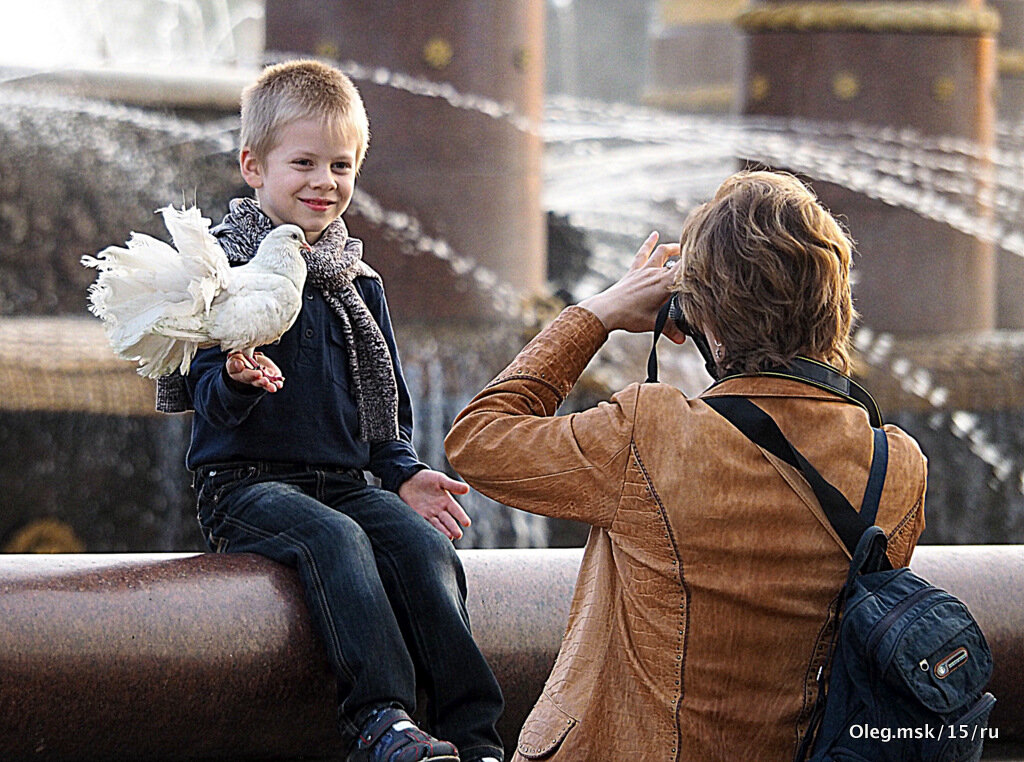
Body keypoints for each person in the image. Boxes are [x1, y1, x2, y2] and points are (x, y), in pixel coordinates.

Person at [444, 171, 927, 761]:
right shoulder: (896, 467)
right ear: (837, 303)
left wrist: (597, 313)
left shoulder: (652, 434)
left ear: (702, 315)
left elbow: (478, 437)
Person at [155, 60, 504, 762]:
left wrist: (403, 473)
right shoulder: (222, 270)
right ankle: (380, 722)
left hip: (344, 484)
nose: (324, 182)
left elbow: (384, 409)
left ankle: (476, 734)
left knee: (421, 546)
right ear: (254, 166)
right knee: (338, 541)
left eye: (341, 165)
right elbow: (204, 401)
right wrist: (235, 377)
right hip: (246, 487)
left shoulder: (357, 280)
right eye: (304, 162)